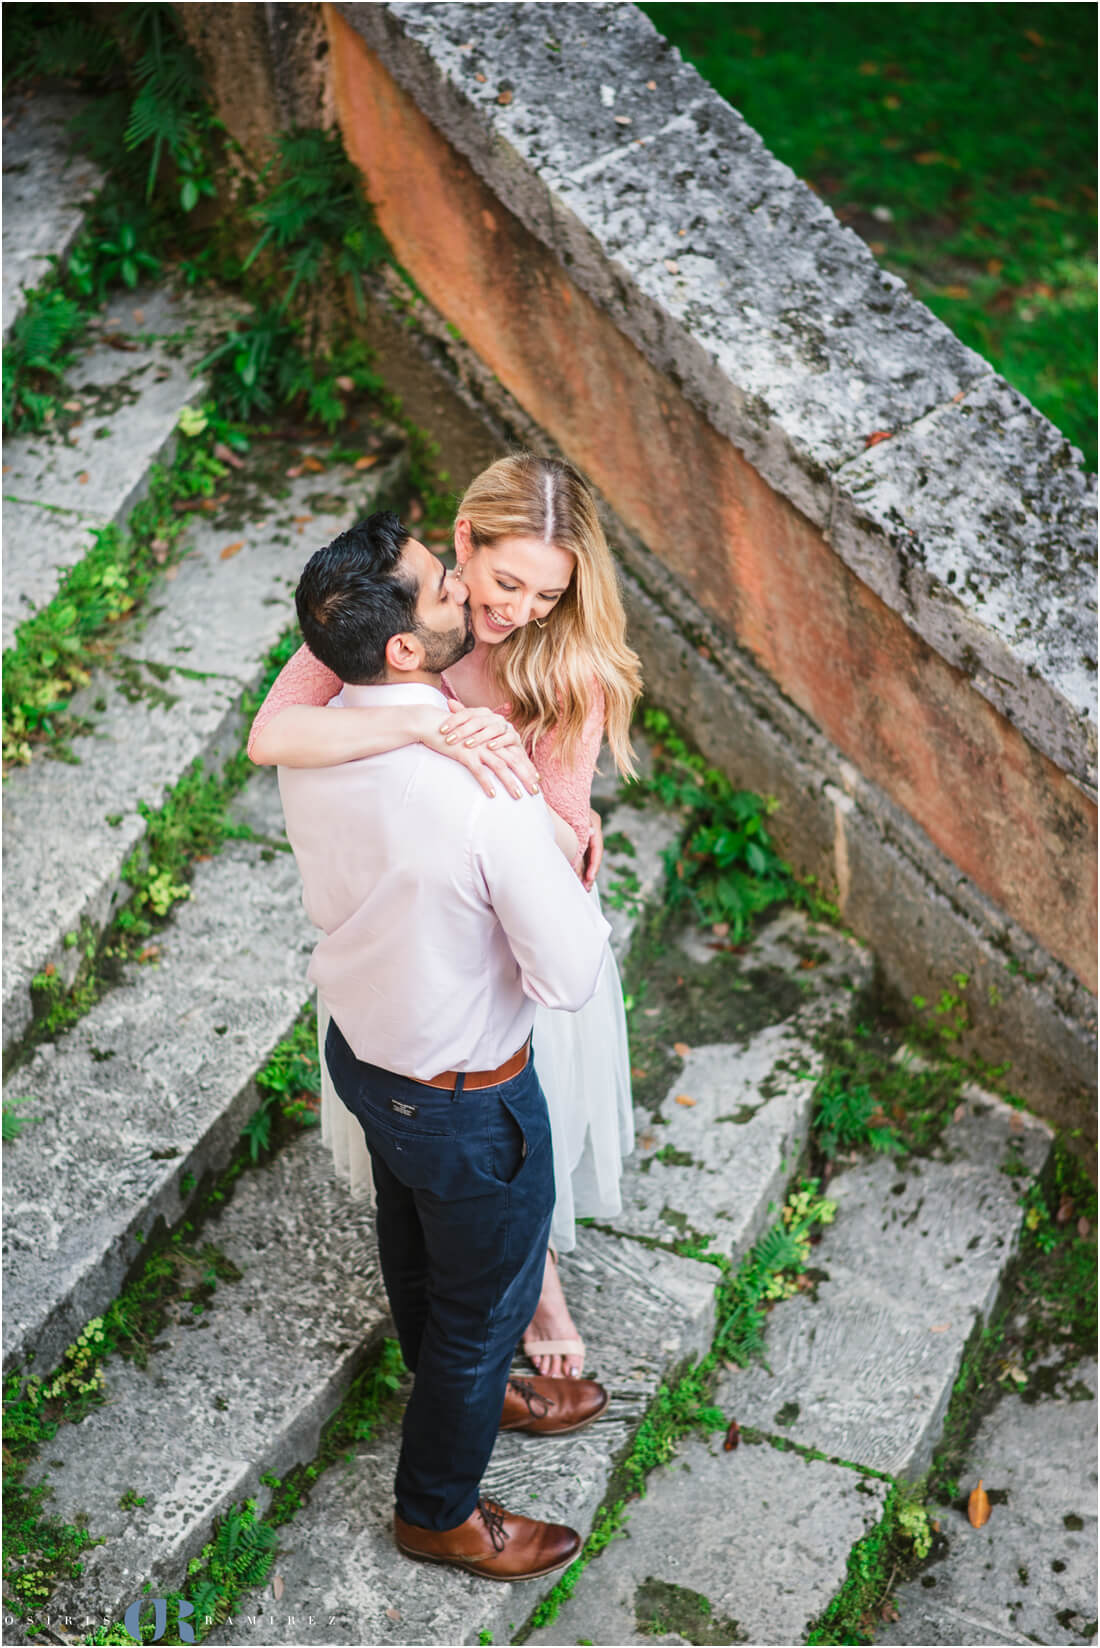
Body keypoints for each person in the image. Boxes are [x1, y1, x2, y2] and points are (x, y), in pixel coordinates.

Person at [250, 454, 643, 1379]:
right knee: (435, 1120)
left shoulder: (568, 667)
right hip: (412, 920)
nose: (518, 613)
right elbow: (273, 734)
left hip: (520, 924)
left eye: (548, 595)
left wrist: (503, 755)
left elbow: (557, 835)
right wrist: (425, 722)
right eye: (506, 583)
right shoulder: (398, 610)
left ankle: (537, 1277)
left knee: (522, 1113)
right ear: (464, 540)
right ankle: (480, 1289)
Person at [278, 511, 613, 1579]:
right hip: (470, 1098)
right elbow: (566, 973)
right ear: (406, 651)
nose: (466, 594)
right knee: (484, 1310)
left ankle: (454, 1381)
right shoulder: (485, 790)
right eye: (442, 588)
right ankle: (437, 1509)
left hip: (364, 1053)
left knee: (413, 1241)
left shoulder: (327, 725)